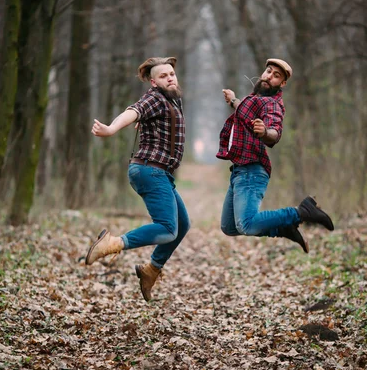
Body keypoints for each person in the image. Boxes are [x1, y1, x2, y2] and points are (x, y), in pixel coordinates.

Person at [85, 57, 190, 302]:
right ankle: (112, 243)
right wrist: (111, 128)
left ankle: (150, 271)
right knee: (167, 228)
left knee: (182, 225)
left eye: (172, 73)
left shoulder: (172, 100)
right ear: (154, 82)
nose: (170, 78)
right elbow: (134, 111)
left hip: (158, 172)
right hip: (149, 170)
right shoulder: (154, 97)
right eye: (163, 76)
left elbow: (146, 117)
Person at [217, 58, 334, 253]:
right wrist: (234, 100)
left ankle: (301, 212)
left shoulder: (272, 104)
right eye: (268, 71)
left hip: (252, 171)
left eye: (276, 76)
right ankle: (283, 228)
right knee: (229, 227)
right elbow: (245, 112)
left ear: (282, 83)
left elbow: (275, 132)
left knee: (247, 224)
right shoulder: (256, 100)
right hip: (239, 171)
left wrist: (264, 132)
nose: (269, 76)